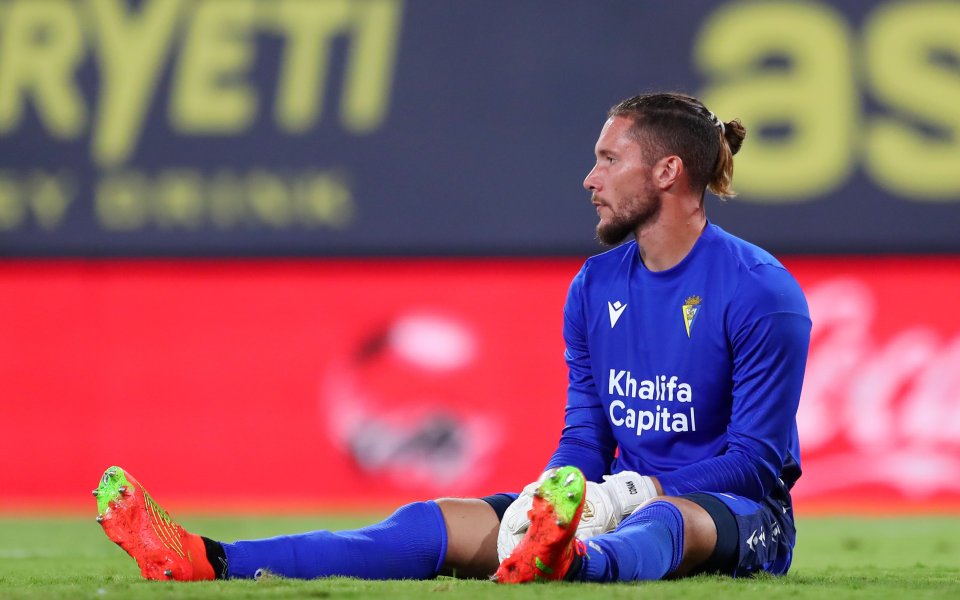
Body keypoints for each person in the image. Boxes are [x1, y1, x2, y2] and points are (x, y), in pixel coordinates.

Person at [94, 92, 810, 584]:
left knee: (663, 521)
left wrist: (628, 490)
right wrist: (554, 496)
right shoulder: (594, 286)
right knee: (433, 522)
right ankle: (208, 560)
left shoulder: (761, 292)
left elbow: (755, 464)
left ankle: (573, 566)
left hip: (737, 519)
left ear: (667, 172)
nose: (589, 178)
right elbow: (586, 434)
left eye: (608, 160)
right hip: (615, 497)